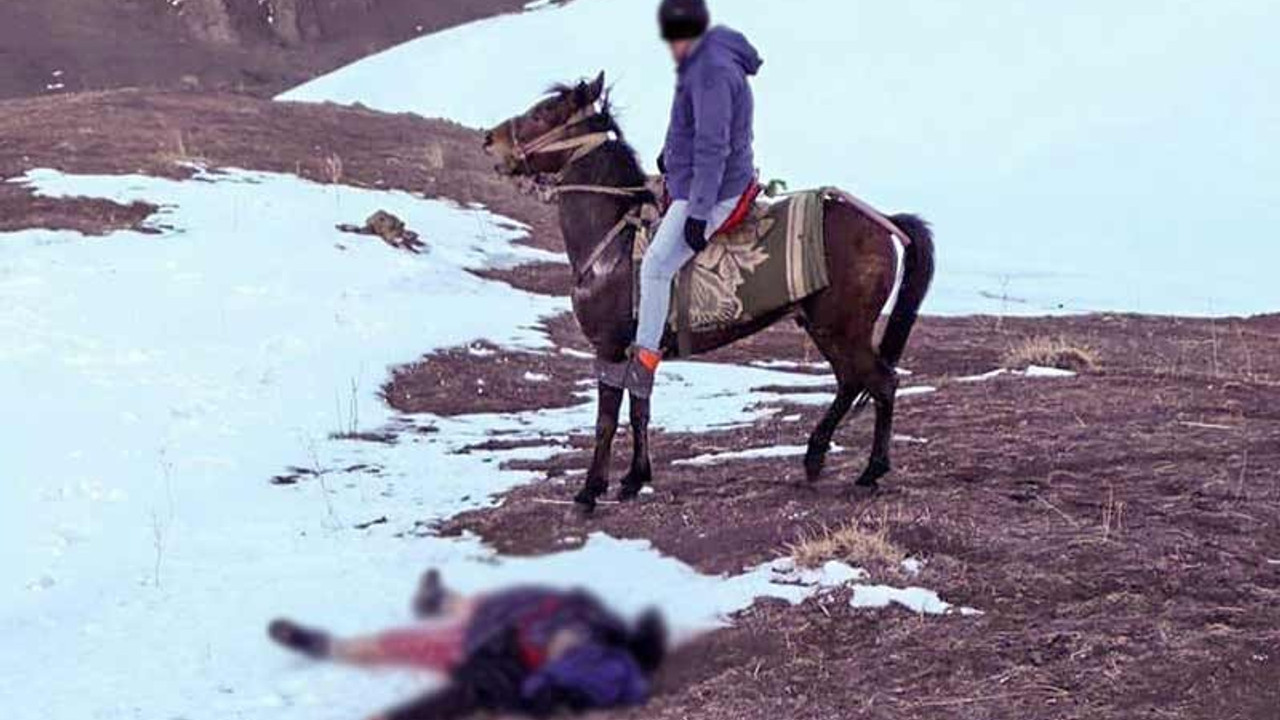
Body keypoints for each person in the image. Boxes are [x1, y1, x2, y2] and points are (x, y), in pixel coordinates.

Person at [267, 570, 668, 720]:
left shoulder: (584, 650)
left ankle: (328, 646)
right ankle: (439, 601)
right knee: (456, 621)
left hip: (496, 643)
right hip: (504, 628)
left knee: (410, 644)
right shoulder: (583, 619)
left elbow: (552, 682)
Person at [630, 0, 763, 390]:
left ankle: (644, 360)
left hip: (715, 189)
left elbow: (712, 147)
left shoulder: (710, 72)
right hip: (698, 177)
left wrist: (699, 214)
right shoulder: (710, 55)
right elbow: (691, 125)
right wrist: (670, 156)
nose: (670, 45)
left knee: (655, 264)